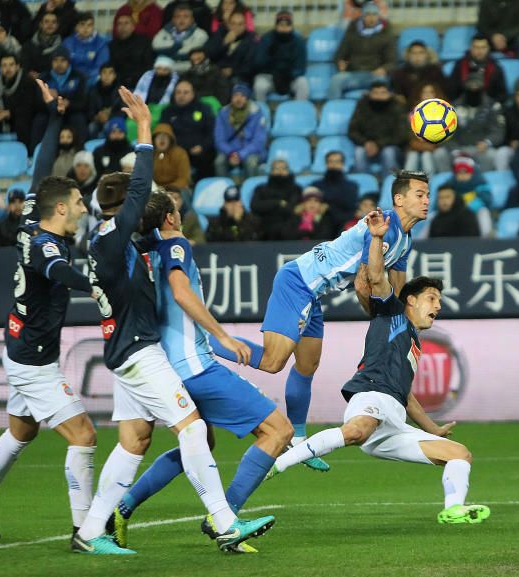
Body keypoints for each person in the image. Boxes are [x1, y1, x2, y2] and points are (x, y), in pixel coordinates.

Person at [73, 87, 263, 555]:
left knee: (134, 442)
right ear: (123, 208)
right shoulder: (116, 236)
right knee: (194, 428)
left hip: (122, 351)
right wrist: (143, 129)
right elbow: (141, 189)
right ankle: (223, 522)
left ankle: (89, 531)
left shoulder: (109, 241)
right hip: (139, 352)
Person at [264, 215, 492, 526]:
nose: (437, 306)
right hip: (370, 398)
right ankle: (280, 461)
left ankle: (453, 509)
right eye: (431, 298)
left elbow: (406, 395)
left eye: (439, 301)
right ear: (410, 300)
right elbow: (374, 276)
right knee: (357, 430)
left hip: (393, 420)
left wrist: (433, 428)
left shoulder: (414, 342)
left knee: (460, 454)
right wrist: (376, 238)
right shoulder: (392, 312)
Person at [209, 171, 430, 475]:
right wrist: (381, 320)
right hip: (299, 282)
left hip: (313, 294)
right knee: (274, 361)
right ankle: (204, 341)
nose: (426, 200)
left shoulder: (404, 239)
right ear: (399, 199)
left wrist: (399, 318)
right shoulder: (382, 228)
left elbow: (398, 292)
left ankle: (298, 440)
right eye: (420, 194)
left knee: (307, 365)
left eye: (427, 194)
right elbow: (364, 284)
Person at [108, 191, 291, 552]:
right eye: (175, 208)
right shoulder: (176, 245)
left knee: (199, 441)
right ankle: (226, 518)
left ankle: (120, 509)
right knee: (278, 430)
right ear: (170, 219)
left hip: (156, 366)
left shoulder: (139, 251)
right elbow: (180, 293)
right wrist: (222, 334)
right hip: (194, 368)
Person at [0, 81, 95, 543]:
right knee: (84, 436)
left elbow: (42, 169)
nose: (83, 207)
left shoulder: (35, 216)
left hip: (19, 344)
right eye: (78, 203)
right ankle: (84, 531)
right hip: (34, 357)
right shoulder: (43, 243)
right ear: (62, 209)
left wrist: (54, 116)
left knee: (21, 433)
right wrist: (101, 285)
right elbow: (60, 272)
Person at [432, 78, 506, 174]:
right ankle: (447, 184)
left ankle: (482, 183)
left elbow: (498, 131)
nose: (473, 90)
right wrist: (455, 150)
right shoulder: (454, 106)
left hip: (480, 149)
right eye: (470, 87)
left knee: (492, 155)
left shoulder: (492, 106)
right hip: (458, 147)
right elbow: (444, 132)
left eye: (476, 88)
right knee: (440, 154)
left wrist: (487, 142)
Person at [328, 1, 395, 99]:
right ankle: (333, 109)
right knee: (336, 80)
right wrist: (340, 63)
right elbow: (339, 55)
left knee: (385, 81)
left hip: (375, 75)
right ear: (362, 16)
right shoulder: (352, 33)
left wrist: (384, 69)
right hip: (353, 73)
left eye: (374, 14)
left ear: (378, 16)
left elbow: (392, 61)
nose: (371, 18)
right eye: (368, 14)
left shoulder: (386, 34)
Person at [348, 80, 409, 178]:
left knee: (388, 152)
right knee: (359, 152)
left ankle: (390, 185)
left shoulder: (397, 107)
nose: (379, 96)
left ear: (390, 94)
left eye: (383, 93)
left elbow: (401, 135)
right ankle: (366, 186)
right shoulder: (362, 106)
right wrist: (365, 142)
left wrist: (379, 144)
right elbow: (352, 130)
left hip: (390, 146)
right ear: (369, 94)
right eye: (375, 93)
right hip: (367, 145)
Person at [161, 79, 216, 180]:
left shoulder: (204, 109)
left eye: (186, 92)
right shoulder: (167, 112)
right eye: (178, 92)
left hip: (200, 153)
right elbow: (163, 133)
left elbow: (212, 132)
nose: (181, 95)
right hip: (175, 153)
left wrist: (202, 147)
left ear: (193, 94)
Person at [213, 82, 266, 178]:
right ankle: (223, 188)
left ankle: (251, 190)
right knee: (219, 162)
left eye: (242, 96)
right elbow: (219, 140)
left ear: (247, 98)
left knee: (251, 162)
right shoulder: (223, 114)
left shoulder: (257, 113)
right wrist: (231, 153)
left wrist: (241, 154)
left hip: (250, 151)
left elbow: (258, 142)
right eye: (236, 95)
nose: (239, 99)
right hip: (230, 151)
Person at [252, 10, 308, 102]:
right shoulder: (267, 39)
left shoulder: (298, 42)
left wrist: (288, 74)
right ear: (276, 26)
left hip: (290, 78)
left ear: (291, 26)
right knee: (259, 85)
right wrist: (272, 67)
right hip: (270, 77)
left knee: (303, 83)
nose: (284, 28)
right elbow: (258, 64)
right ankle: (261, 114)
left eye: (287, 25)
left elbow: (301, 67)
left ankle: (299, 112)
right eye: (281, 25)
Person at [0, 54, 39, 148]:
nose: (8, 69)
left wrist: (9, 113)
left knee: (22, 121)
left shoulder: (27, 82)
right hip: (1, 117)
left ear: (17, 66)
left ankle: (24, 153)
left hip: (19, 117)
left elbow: (29, 107)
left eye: (11, 65)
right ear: (0, 68)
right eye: (4, 65)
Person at [40, 45, 88, 142]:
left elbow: (83, 102)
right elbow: (37, 103)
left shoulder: (78, 77)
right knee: (39, 120)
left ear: (68, 62)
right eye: (56, 60)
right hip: (50, 112)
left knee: (79, 118)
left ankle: (81, 150)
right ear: (51, 62)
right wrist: (49, 100)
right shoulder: (44, 78)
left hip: (71, 111)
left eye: (63, 60)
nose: (59, 64)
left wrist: (69, 103)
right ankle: (34, 153)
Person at [447, 34, 506, 103]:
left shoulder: (495, 67)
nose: (479, 51)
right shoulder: (460, 65)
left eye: (483, 47)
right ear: (470, 48)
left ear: (488, 48)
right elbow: (452, 90)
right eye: (476, 47)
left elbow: (501, 94)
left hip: (488, 106)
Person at [250, 158, 300, 241]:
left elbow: (290, 209)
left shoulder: (296, 189)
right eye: (277, 168)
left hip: (288, 227)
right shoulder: (261, 189)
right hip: (264, 227)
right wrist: (278, 203)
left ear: (288, 171)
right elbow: (255, 206)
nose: (280, 171)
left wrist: (267, 205)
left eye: (284, 168)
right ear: (271, 171)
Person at [205, 8, 256, 85]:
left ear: (245, 25)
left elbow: (250, 64)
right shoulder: (220, 34)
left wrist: (233, 71)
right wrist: (225, 44)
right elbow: (209, 54)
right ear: (228, 24)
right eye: (233, 23)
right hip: (217, 73)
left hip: (239, 76)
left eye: (240, 24)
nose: (236, 27)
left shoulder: (251, 39)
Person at [152, 4, 209, 73]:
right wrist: (177, 45)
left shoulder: (201, 34)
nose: (181, 20)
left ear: (192, 20)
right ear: (173, 20)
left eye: (186, 16)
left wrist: (165, 53)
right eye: (178, 16)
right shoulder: (164, 31)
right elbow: (155, 45)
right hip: (162, 69)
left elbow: (187, 52)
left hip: (187, 70)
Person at [310, 150, 358, 227]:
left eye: (337, 162)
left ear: (342, 164)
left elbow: (350, 209)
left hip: (343, 224)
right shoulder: (316, 185)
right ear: (326, 164)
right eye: (330, 161)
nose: (334, 164)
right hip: (320, 224)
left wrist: (328, 207)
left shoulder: (351, 186)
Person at [390, 41, 446, 106]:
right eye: (413, 53)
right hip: (407, 108)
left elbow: (442, 92)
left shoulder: (436, 72)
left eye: (421, 53)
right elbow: (398, 95)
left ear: (427, 55)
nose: (417, 56)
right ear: (408, 55)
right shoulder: (400, 73)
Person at [108, 13, 154, 90]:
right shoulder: (111, 45)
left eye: (126, 23)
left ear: (133, 27)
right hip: (118, 85)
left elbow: (149, 66)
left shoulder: (144, 42)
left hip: (140, 83)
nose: (123, 27)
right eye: (119, 24)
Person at [62, 12, 108, 82]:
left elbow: (101, 67)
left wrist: (84, 78)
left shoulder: (101, 44)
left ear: (93, 26)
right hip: (71, 80)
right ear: (76, 26)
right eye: (82, 24)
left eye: (89, 25)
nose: (86, 28)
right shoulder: (68, 43)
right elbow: (64, 65)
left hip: (92, 81)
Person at [87, 64, 124, 138]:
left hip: (115, 120)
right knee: (91, 127)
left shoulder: (121, 91)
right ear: (100, 75)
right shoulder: (93, 90)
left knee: (108, 127)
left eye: (110, 73)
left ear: (115, 76)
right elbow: (89, 110)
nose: (107, 76)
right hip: (97, 120)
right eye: (104, 72)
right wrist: (97, 117)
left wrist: (109, 117)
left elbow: (123, 110)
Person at [152, 122, 191, 190]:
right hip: (155, 190)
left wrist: (170, 188)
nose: (162, 139)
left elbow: (184, 178)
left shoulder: (180, 153)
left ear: (170, 139)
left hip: (176, 189)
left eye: (165, 136)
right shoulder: (149, 154)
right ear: (154, 139)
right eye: (159, 136)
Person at [24, 12, 62, 77]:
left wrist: (42, 75)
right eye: (46, 22)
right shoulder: (28, 45)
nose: (50, 24)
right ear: (41, 24)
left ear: (57, 25)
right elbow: (24, 66)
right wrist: (29, 73)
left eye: (53, 22)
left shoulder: (62, 47)